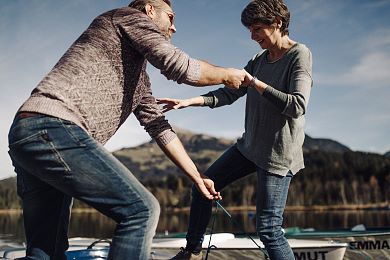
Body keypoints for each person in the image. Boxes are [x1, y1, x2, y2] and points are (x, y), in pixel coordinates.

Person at [7, 0, 249, 259]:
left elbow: (159, 127)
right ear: (149, 10)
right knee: (141, 210)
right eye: (171, 17)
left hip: (30, 135)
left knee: (47, 250)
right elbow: (179, 66)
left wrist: (197, 177)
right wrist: (226, 74)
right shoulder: (125, 17)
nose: (175, 27)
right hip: (52, 128)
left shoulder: (139, 81)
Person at [158, 0, 313, 259]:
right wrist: (188, 102)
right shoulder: (258, 60)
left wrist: (256, 83)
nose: (252, 37)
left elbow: (297, 105)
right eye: (250, 30)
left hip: (278, 155)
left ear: (277, 23)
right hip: (249, 147)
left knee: (269, 230)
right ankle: (192, 252)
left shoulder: (300, 55)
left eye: (256, 29)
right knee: (203, 186)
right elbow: (229, 93)